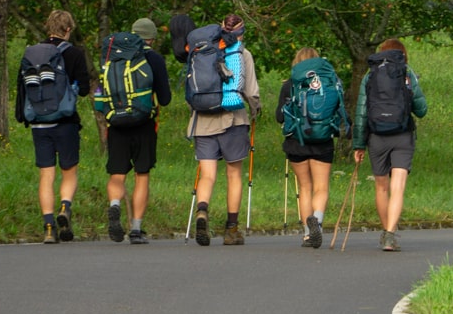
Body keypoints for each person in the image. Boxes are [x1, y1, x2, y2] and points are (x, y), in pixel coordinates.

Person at [14, 9, 91, 244]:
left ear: (48, 27)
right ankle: (64, 208)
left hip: (38, 124)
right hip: (66, 122)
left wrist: (22, 116)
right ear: (68, 29)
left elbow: (21, 88)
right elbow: (86, 89)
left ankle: (48, 227)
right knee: (69, 171)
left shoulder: (32, 54)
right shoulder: (75, 53)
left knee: (46, 175)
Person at [188, 14, 261, 246]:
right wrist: (256, 110)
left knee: (208, 174)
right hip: (233, 120)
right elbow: (250, 92)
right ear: (242, 33)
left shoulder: (201, 50)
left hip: (203, 120)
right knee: (233, 175)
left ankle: (202, 210)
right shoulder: (242, 54)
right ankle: (231, 229)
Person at [352, 38, 427, 252]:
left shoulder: (370, 75)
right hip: (402, 135)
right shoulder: (406, 72)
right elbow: (421, 109)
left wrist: (358, 144)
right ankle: (390, 235)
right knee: (398, 187)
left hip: (377, 137)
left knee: (381, 186)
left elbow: (361, 112)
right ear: (402, 54)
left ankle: (386, 232)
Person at [105, 17, 172, 245]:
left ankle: (114, 205)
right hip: (144, 124)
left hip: (115, 123)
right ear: (152, 38)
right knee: (141, 175)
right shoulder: (153, 58)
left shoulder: (113, 56)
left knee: (117, 174)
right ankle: (136, 229)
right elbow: (165, 98)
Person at [275, 47, 340, 249]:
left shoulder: (290, 85)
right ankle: (317, 223)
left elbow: (279, 116)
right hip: (322, 141)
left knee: (304, 187)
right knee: (321, 187)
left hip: (297, 141)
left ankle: (306, 233)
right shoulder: (328, 84)